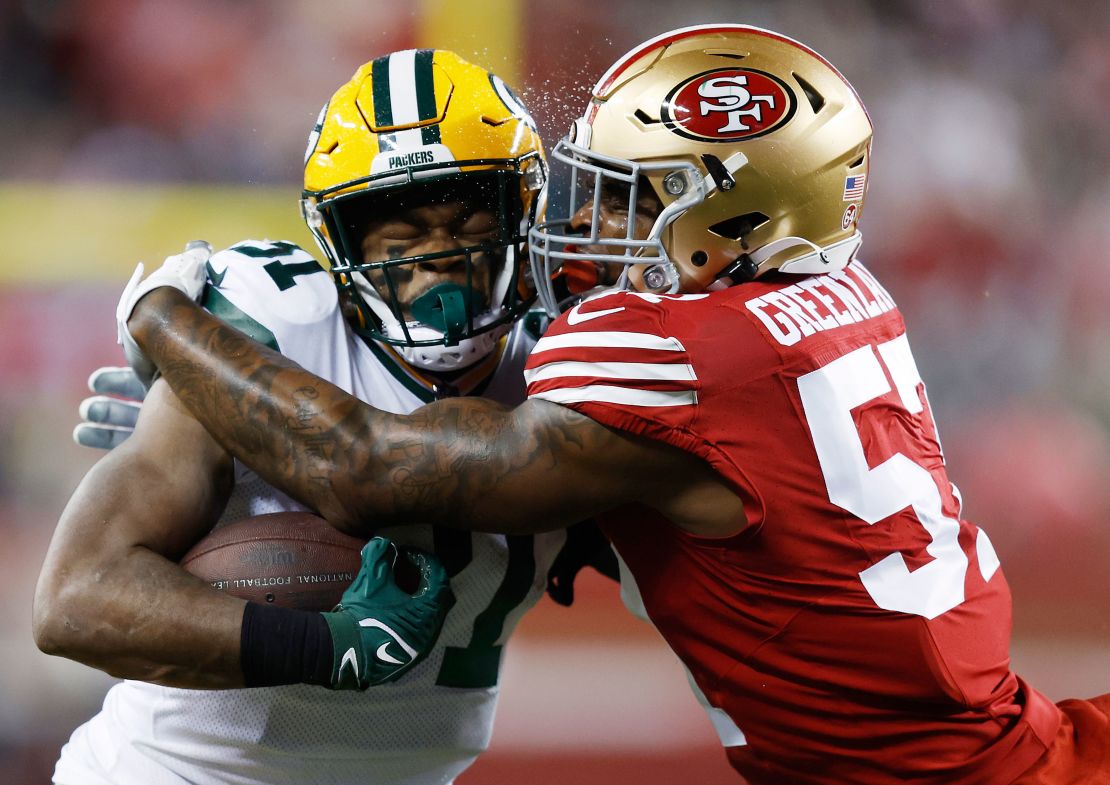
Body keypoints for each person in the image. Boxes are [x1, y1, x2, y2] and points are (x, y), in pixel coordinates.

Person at [109, 23, 1110, 785]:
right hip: (1021, 740)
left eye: (634, 196)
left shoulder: (670, 355)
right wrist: (227, 420)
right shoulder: (835, 291)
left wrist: (166, 321)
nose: (588, 222)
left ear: (735, 219)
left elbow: (363, 468)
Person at [33, 49, 615, 785]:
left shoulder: (579, 365)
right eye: (394, 231)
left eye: (463, 213)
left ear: (521, 212)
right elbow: (74, 598)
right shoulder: (273, 328)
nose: (436, 256)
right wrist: (319, 643)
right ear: (337, 239)